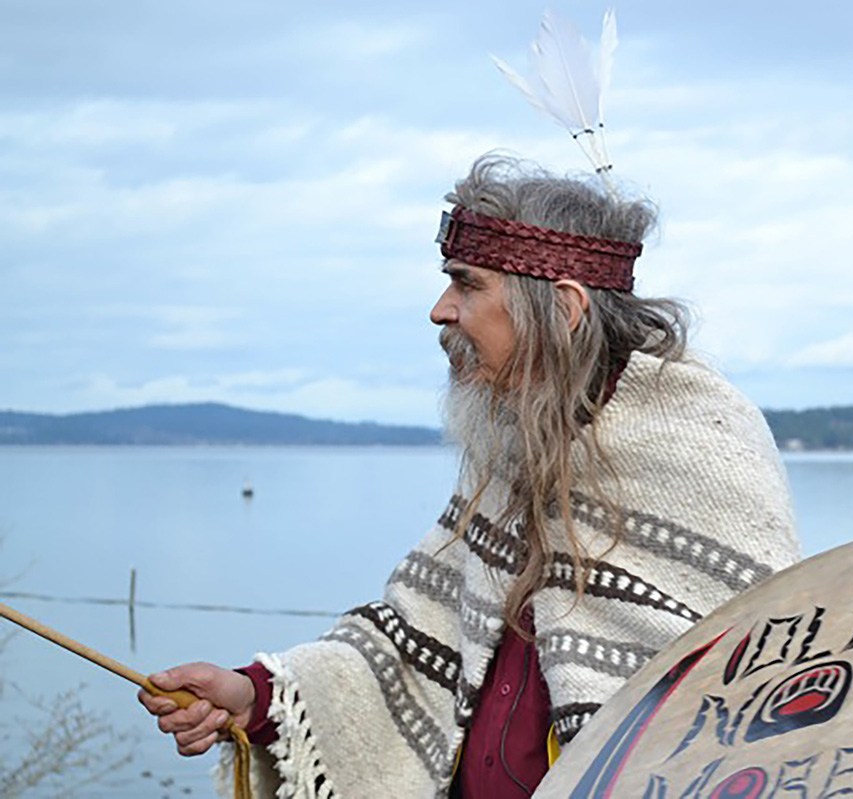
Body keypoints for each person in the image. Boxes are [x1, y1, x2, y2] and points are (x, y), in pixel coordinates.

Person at [139, 154, 800, 798]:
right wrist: (257, 694)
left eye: (467, 283)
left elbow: (757, 698)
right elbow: (417, 647)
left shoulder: (703, 441)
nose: (440, 309)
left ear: (563, 308)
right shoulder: (518, 442)